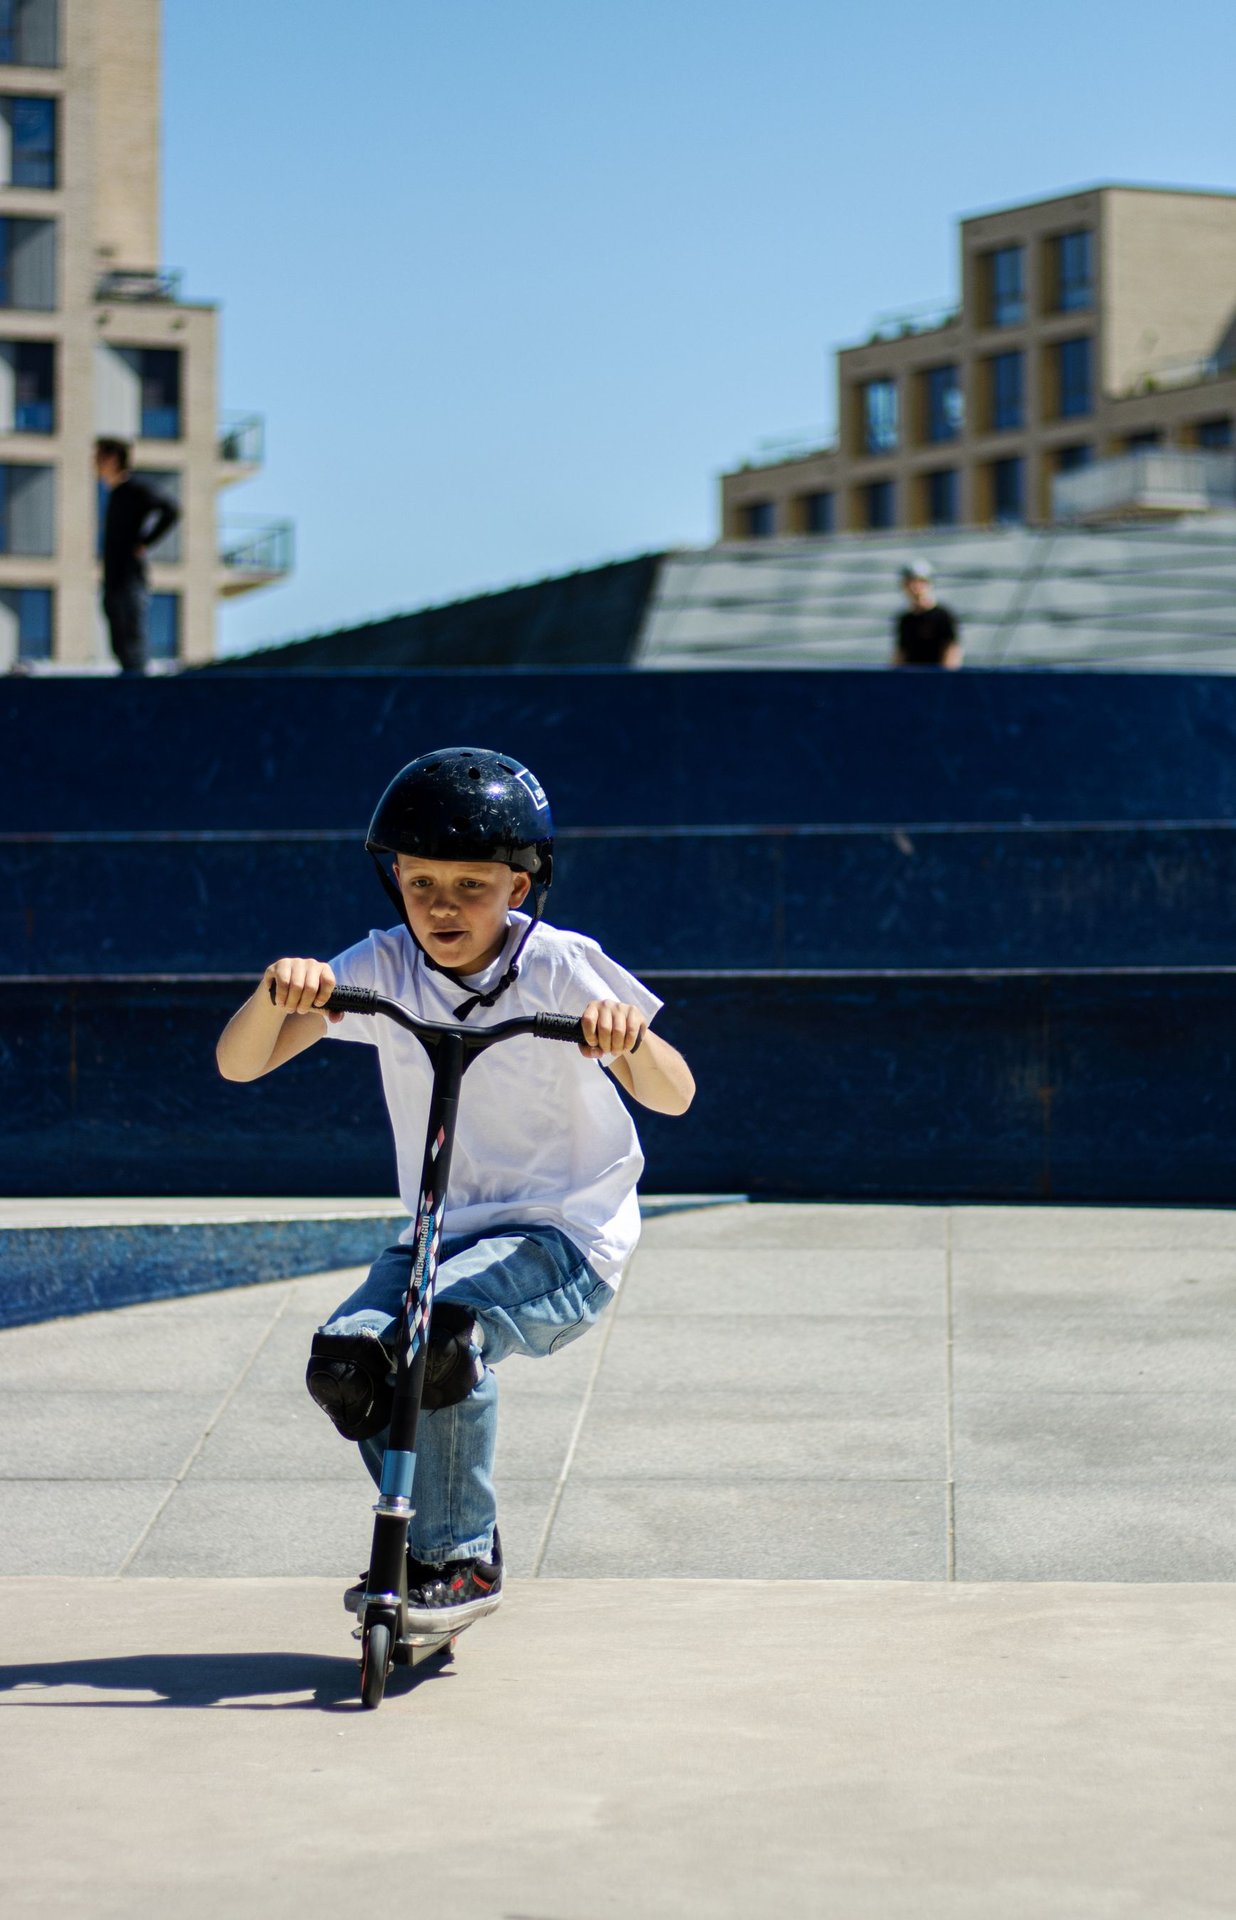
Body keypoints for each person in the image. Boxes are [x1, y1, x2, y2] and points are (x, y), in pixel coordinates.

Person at [215, 746, 695, 1631]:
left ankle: (463, 1557)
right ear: (392, 878)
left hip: (564, 1234)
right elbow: (240, 1066)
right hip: (444, 1232)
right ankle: (430, 1550)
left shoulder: (558, 965)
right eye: (421, 880)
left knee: (440, 1340)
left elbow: (675, 1092)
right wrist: (278, 995)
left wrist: (628, 1039)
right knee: (351, 1363)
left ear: (519, 888)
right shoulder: (384, 965)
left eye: (472, 885)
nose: (443, 905)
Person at [94, 438, 181, 674]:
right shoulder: (113, 494)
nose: (94, 463)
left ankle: (138, 690)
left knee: (133, 644)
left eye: (98, 457)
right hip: (112, 580)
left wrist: (145, 542)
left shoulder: (134, 489)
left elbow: (171, 509)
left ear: (112, 459)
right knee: (119, 645)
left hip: (130, 580)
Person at [892, 560, 962, 669]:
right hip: (911, 679)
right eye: (909, 582)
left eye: (919, 582)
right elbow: (901, 653)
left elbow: (951, 650)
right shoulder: (906, 620)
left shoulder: (942, 616)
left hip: (935, 679)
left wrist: (945, 679)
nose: (914, 587)